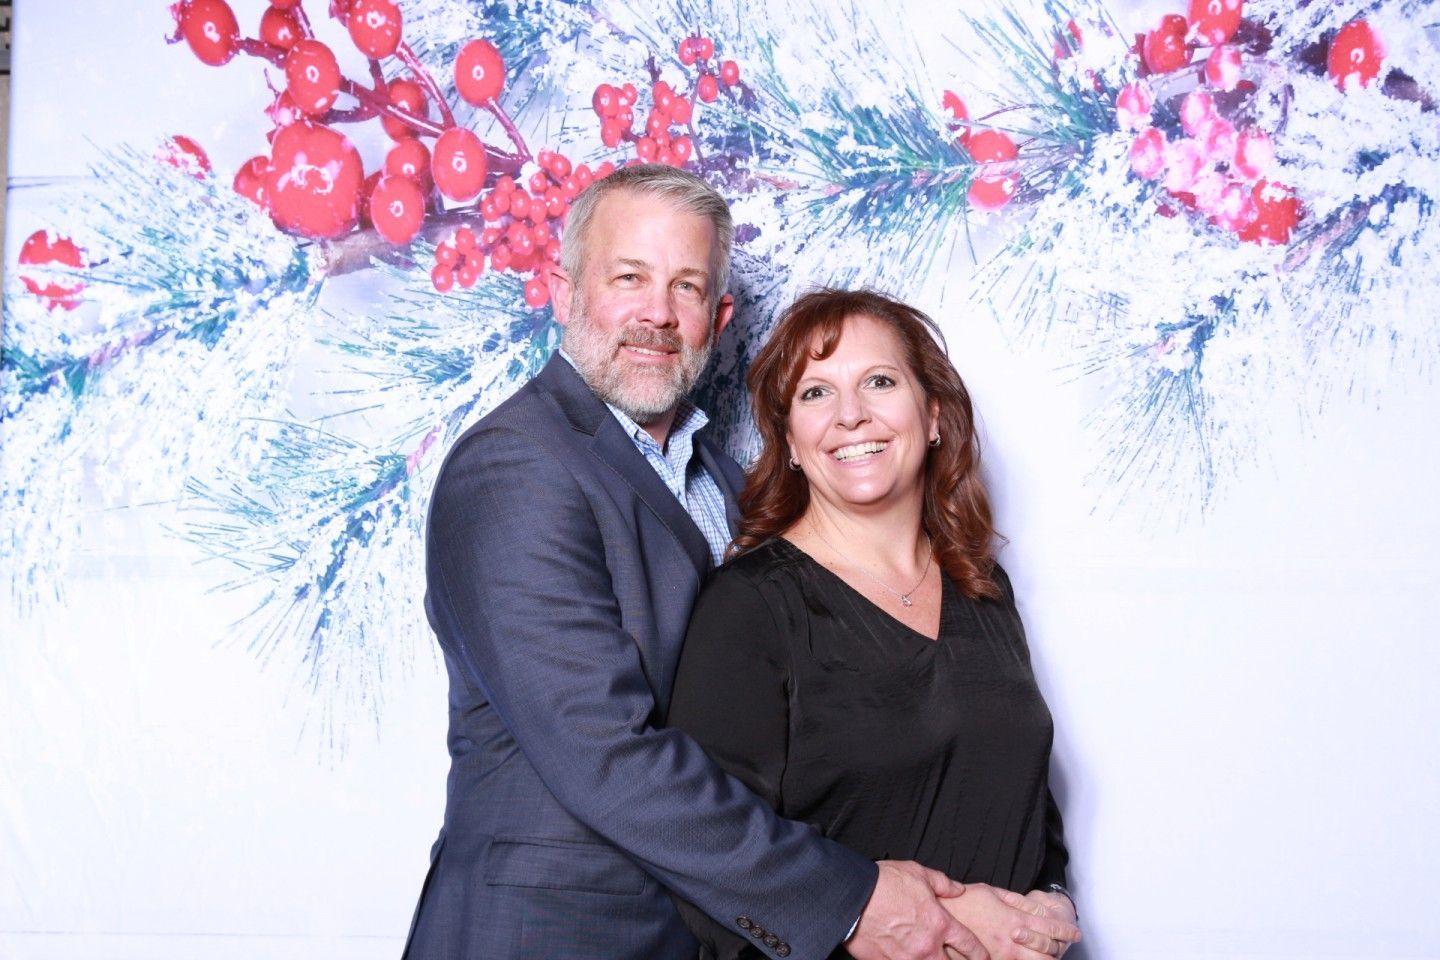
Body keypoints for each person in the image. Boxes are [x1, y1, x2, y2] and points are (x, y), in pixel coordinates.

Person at [401, 167, 1014, 960]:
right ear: (562, 291)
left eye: (687, 288)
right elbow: (605, 752)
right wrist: (851, 899)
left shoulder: (728, 483)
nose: (658, 313)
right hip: (550, 935)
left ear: (719, 317)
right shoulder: (516, 467)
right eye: (629, 278)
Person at [666, 288, 1081, 960]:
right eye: (815, 394)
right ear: (791, 442)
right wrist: (919, 921)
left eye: (879, 382)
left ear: (934, 413)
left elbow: (1022, 796)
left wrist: (1050, 905)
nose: (850, 416)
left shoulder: (982, 589)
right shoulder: (749, 609)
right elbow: (708, 864)